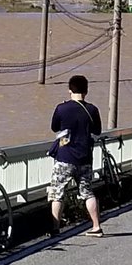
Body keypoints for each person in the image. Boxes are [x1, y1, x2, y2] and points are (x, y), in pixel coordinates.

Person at [47, 74, 104, 237]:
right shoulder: (92, 109)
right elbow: (97, 131)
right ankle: (96, 226)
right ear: (86, 90)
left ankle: (55, 228)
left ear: (69, 89)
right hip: (85, 157)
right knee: (87, 192)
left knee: (57, 192)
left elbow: (54, 127)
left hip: (64, 157)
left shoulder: (61, 108)